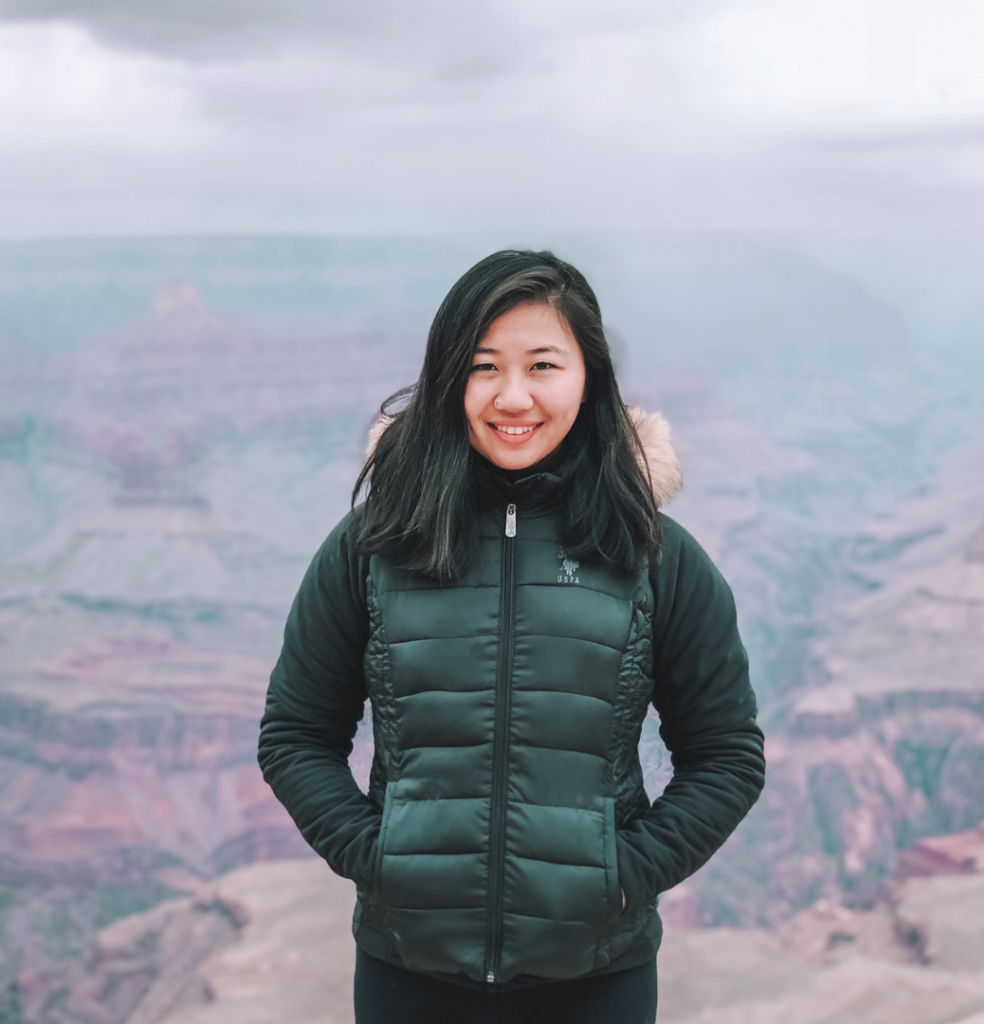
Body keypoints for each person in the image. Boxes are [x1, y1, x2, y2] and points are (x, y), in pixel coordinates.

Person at [258, 250, 766, 1024]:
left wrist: (623, 875)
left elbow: (727, 755)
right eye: (483, 366)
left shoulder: (652, 554)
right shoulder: (374, 546)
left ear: (588, 377)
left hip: (598, 979)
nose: (513, 396)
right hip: (408, 978)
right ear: (446, 378)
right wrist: (382, 863)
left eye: (544, 364)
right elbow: (295, 735)